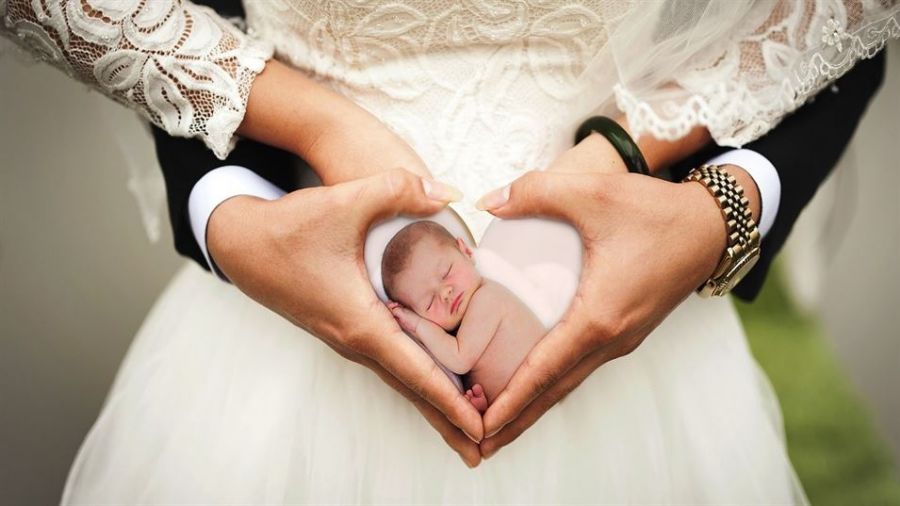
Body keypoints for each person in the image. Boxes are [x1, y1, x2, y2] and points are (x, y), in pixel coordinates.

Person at [1, 0, 896, 503]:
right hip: (288, 341)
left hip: (631, 340)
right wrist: (274, 168)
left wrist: (707, 212)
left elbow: (845, 17)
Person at [383, 220, 548, 412]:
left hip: (544, 394)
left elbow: (459, 359)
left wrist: (417, 325)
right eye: (429, 303)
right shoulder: (455, 333)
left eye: (446, 273)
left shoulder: (487, 299)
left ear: (466, 252)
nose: (445, 293)